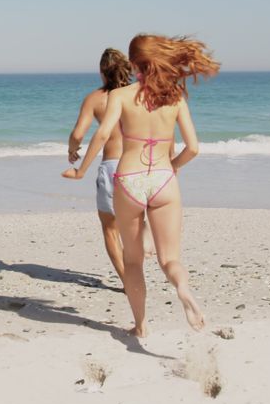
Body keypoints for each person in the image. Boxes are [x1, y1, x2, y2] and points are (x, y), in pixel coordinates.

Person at [63, 34, 219, 337]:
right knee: (170, 258)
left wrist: (81, 169)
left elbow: (102, 134)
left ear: (135, 64)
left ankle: (141, 325)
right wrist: (171, 168)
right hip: (163, 180)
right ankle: (182, 288)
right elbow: (194, 148)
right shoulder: (175, 97)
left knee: (133, 261)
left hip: (129, 181)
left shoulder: (121, 97)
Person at [67, 49, 154, 289]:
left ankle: (128, 281)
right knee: (136, 220)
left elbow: (78, 134)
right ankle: (141, 257)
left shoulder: (95, 99)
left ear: (101, 71)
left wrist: (72, 150)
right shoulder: (141, 95)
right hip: (139, 165)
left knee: (110, 229)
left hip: (112, 166)